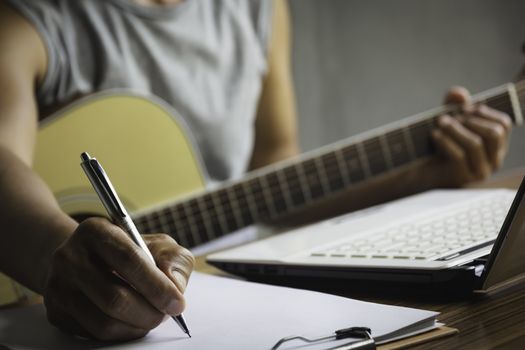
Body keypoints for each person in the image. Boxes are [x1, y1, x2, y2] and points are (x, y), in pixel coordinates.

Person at [0, 0, 512, 342]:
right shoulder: (31, 18)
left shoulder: (259, 7)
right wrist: (57, 255)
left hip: (219, 288)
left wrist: (422, 174)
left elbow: (275, 176)